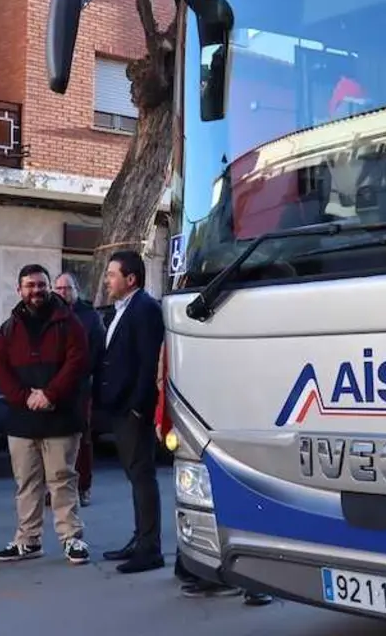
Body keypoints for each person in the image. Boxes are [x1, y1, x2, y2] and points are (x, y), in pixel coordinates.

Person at [154, 342, 273, 605]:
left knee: (246, 497)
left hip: (237, 422)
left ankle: (255, 580)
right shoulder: (190, 332)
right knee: (202, 498)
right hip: (202, 420)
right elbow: (168, 376)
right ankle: (204, 566)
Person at [0, 264, 91, 565]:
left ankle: (72, 539)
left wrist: (49, 394)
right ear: (19, 290)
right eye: (29, 285)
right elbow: (0, 369)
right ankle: (28, 540)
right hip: (22, 419)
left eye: (41, 284)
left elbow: (78, 363)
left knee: (62, 480)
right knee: (26, 483)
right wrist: (25, 397)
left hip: (61, 416)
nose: (36, 290)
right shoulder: (9, 328)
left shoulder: (69, 323)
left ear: (49, 287)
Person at [98, 250, 167, 574]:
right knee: (134, 476)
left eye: (112, 274)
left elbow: (148, 362)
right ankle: (140, 538)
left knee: (142, 477)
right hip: (120, 407)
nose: (107, 280)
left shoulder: (145, 309)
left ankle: (149, 549)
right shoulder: (123, 309)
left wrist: (139, 408)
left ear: (131, 279)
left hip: (133, 410)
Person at [52, 272, 106, 507]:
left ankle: (83, 487)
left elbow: (96, 351)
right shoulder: (49, 313)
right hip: (53, 385)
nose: (63, 293)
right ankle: (55, 488)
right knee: (53, 438)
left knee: (82, 438)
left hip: (80, 385)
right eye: (59, 289)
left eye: (67, 288)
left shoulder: (89, 316)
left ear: (76, 289)